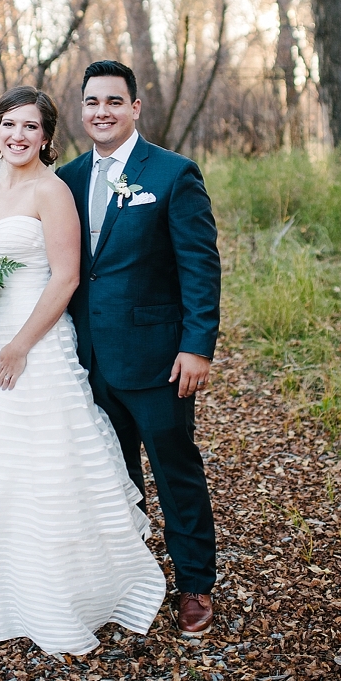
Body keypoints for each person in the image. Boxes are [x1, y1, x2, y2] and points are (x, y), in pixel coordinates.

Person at [0, 86, 165, 656]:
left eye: (31, 127)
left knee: (42, 463)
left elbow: (65, 278)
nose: (18, 136)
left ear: (46, 137)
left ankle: (55, 591)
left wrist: (19, 346)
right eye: (9, 125)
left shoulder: (53, 191)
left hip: (34, 345)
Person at [57, 60, 221, 636]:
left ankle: (195, 584)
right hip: (85, 358)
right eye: (92, 103)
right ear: (81, 110)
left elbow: (199, 265)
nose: (101, 112)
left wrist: (197, 346)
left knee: (175, 471)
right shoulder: (67, 178)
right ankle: (128, 577)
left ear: (134, 108)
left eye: (112, 102)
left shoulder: (174, 175)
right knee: (110, 475)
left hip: (157, 357)